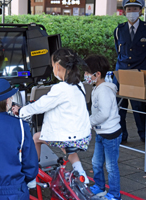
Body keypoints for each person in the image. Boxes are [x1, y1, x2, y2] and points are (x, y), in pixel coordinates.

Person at [12, 48, 91, 183]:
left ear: (58, 66)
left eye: (52, 65)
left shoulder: (61, 88)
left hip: (69, 135)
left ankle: (32, 175)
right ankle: (80, 172)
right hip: (82, 135)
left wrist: (21, 111)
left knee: (37, 138)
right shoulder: (78, 85)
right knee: (67, 146)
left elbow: (40, 105)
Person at [114, 0, 146, 146]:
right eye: (129, 9)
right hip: (121, 72)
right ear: (125, 11)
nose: (131, 11)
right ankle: (122, 135)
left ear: (140, 11)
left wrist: (143, 65)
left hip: (139, 73)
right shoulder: (118, 29)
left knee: (139, 107)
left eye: (135, 8)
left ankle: (145, 136)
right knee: (119, 106)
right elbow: (119, 51)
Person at [83, 55, 122, 200]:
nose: (85, 76)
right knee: (96, 162)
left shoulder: (103, 90)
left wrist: (89, 121)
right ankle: (99, 186)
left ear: (97, 74)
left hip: (110, 134)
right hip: (101, 132)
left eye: (87, 73)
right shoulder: (97, 88)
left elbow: (104, 114)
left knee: (111, 166)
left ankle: (114, 194)